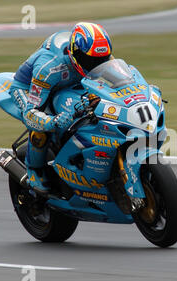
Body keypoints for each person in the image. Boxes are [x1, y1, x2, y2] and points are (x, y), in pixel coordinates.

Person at [9, 22, 113, 194]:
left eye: (100, 60)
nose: (96, 64)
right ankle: (34, 171)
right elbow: (30, 115)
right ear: (75, 53)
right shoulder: (50, 68)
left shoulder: (100, 56)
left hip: (69, 84)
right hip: (29, 88)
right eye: (91, 60)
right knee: (42, 124)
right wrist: (52, 121)